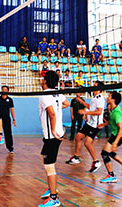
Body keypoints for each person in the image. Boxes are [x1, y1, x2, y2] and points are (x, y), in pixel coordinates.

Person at [38, 71, 69, 207]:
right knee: (43, 157)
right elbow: (66, 103)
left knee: (50, 166)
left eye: (43, 78)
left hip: (52, 135)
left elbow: (51, 113)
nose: (41, 80)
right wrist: (58, 108)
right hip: (54, 134)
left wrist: (53, 130)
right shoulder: (57, 93)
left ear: (45, 81)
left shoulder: (44, 95)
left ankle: (54, 198)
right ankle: (51, 187)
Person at [66, 81, 105, 173]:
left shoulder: (100, 99)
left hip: (95, 125)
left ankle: (96, 161)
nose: (92, 87)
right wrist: (82, 102)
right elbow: (91, 107)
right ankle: (76, 156)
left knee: (87, 143)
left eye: (94, 86)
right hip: (90, 123)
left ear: (99, 89)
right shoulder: (94, 97)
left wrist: (85, 112)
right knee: (78, 137)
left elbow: (99, 112)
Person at [98, 91, 122, 183]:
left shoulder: (116, 112)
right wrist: (104, 124)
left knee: (105, 153)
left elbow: (121, 128)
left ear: (113, 99)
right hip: (115, 134)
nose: (107, 97)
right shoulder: (112, 109)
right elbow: (113, 121)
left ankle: (111, 175)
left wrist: (115, 143)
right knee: (108, 152)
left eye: (109, 96)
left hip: (120, 135)